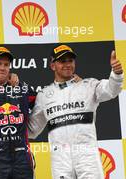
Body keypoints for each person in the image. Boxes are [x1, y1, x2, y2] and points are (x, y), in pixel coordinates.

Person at [28, 44, 124, 179]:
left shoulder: (89, 85)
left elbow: (111, 90)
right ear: (52, 65)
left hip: (87, 156)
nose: (67, 64)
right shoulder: (44, 95)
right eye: (62, 61)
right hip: (60, 159)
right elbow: (32, 130)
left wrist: (117, 74)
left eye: (70, 60)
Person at [0, 47, 36, 179]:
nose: (2, 68)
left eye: (6, 64)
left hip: (22, 160)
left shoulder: (22, 88)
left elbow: (45, 104)